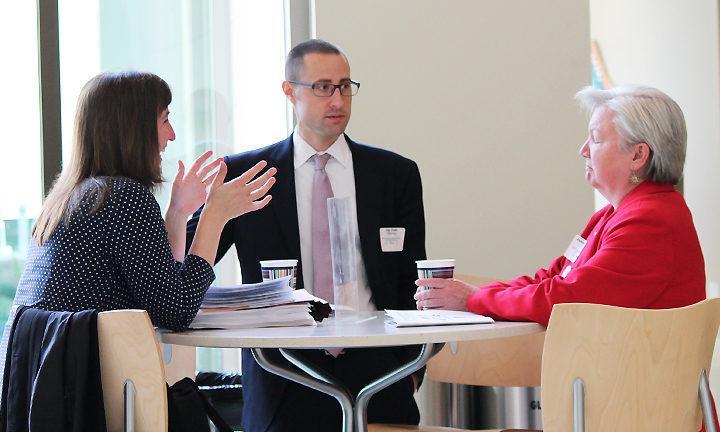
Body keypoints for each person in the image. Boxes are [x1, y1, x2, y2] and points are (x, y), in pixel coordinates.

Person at [187, 39, 426, 432]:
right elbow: (191, 266)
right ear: (289, 91)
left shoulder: (394, 174)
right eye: (322, 87)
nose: (337, 99)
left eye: (345, 86)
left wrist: (411, 369)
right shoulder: (245, 174)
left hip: (380, 373)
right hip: (283, 372)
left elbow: (411, 279)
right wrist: (189, 210)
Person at [0, 71, 276, 379]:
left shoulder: (72, 197)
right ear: (134, 129)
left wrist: (177, 214)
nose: (171, 135)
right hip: (85, 394)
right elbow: (177, 312)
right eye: (164, 120)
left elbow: (163, 291)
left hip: (40, 392)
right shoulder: (123, 199)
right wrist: (214, 217)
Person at [414, 84, 705, 325]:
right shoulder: (614, 215)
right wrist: (473, 294)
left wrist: (473, 299)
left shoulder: (650, 221)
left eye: (595, 139)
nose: (583, 150)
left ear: (638, 155)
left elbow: (566, 299)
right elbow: (553, 278)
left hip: (636, 390)